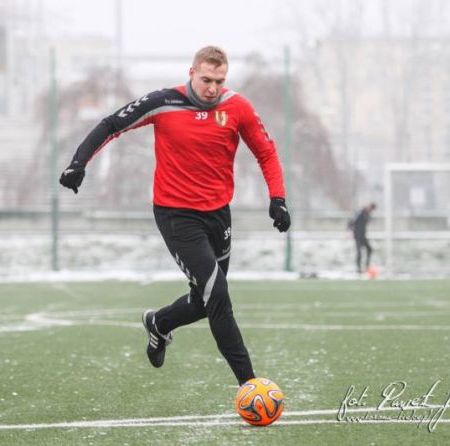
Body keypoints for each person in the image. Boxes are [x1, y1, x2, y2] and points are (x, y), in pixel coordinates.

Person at [59, 46, 290, 386]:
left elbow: (266, 153)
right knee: (218, 294)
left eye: (219, 81)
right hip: (176, 215)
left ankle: (160, 323)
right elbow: (112, 124)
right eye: (206, 79)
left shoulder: (237, 107)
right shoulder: (163, 102)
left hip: (218, 215)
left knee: (202, 302)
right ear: (192, 72)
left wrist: (278, 198)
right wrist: (79, 162)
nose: (213, 88)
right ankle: (249, 384)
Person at [348, 202, 376, 274]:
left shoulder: (368, 214)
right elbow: (351, 222)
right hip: (357, 235)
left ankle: (367, 266)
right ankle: (358, 269)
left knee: (369, 249)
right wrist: (350, 231)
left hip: (363, 235)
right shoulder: (360, 213)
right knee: (359, 252)